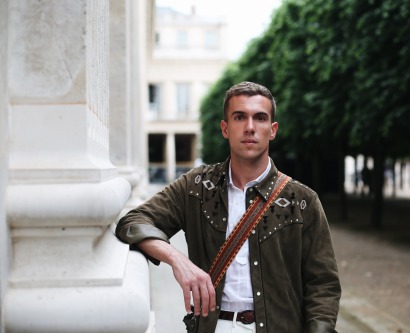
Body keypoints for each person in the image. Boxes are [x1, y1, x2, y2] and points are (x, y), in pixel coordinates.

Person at [115, 81, 341, 333]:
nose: (250, 127)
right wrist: (177, 260)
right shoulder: (196, 187)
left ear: (273, 129)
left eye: (260, 118)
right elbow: (132, 222)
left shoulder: (303, 200)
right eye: (239, 117)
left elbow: (323, 285)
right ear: (225, 128)